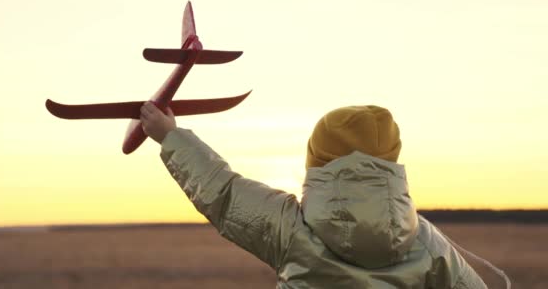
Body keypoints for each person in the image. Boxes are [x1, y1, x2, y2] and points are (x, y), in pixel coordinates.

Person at [139, 102, 491, 288]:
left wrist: (171, 136)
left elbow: (224, 192)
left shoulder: (290, 228)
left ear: (317, 162)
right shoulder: (428, 245)